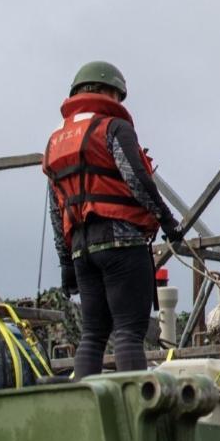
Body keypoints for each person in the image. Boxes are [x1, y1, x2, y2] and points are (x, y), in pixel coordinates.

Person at [43, 61, 182, 377]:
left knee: (93, 334)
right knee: (129, 331)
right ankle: (133, 403)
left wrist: (66, 263)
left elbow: (57, 210)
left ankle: (85, 403)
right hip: (122, 242)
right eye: (118, 95)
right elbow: (136, 178)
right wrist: (168, 222)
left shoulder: (55, 143)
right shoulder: (113, 128)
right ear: (108, 92)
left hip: (81, 250)